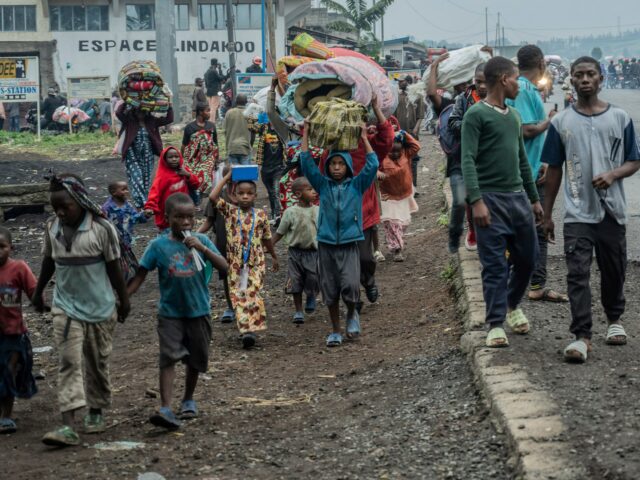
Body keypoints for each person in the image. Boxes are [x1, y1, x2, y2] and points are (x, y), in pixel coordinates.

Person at [541, 57, 640, 363]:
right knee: (577, 273)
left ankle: (614, 320)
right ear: (570, 80)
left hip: (613, 212)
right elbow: (554, 169)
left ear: (600, 79)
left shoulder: (620, 118)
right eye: (579, 75)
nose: (585, 79)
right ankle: (581, 336)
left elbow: (634, 160)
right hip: (577, 212)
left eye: (590, 74)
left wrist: (612, 174)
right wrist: (546, 215)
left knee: (614, 270)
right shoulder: (561, 123)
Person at [33, 174, 130, 447]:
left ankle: (96, 410)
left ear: (80, 201)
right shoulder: (52, 227)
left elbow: (114, 267)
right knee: (68, 361)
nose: (61, 212)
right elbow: (48, 260)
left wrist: (124, 300)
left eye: (66, 206)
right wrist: (38, 291)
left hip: (100, 307)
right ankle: (68, 425)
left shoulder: (101, 228)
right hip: (65, 306)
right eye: (56, 208)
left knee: (97, 362)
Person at [461, 56, 543, 349]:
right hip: (490, 199)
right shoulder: (476, 115)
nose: (520, 85)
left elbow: (522, 159)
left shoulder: (514, 116)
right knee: (494, 264)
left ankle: (511, 303)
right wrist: (477, 201)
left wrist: (534, 199)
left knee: (528, 258)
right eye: (516, 79)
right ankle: (496, 323)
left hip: (518, 198)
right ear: (503, 80)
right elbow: (467, 159)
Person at [128, 193, 227, 429]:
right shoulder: (158, 246)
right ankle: (165, 407)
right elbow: (140, 275)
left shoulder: (201, 240)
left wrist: (202, 248)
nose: (185, 222)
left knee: (195, 358)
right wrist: (122, 300)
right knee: (168, 357)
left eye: (189, 217)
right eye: (179, 217)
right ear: (166, 217)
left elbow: (224, 266)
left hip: (199, 310)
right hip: (170, 313)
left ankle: (188, 399)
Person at [301, 120, 379, 347]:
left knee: (351, 285)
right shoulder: (322, 185)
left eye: (340, 164)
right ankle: (335, 330)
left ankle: (352, 313)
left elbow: (372, 164)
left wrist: (364, 138)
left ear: (347, 167)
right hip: (326, 244)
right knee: (330, 289)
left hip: (349, 244)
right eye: (333, 163)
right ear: (328, 166)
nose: (336, 167)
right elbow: (306, 163)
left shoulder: (356, 185)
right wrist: (306, 133)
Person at [505, 45, 567, 304]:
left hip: (529, 168)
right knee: (536, 229)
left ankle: (520, 282)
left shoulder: (524, 88)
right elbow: (526, 130)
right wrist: (550, 121)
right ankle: (534, 284)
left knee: (525, 230)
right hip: (527, 173)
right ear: (541, 63)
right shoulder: (524, 89)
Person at [208, 170, 279, 349]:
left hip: (256, 262)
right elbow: (213, 197)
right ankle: (246, 329)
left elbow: (266, 238)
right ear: (234, 195)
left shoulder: (261, 215)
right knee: (239, 295)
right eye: (241, 193)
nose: (245, 196)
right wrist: (226, 178)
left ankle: (250, 330)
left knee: (252, 293)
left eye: (249, 193)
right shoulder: (230, 212)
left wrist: (274, 255)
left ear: (255, 195)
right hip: (235, 264)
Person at [0, 226, 39, 434]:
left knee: (8, 371)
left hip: (13, 333)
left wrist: (42, 303)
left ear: (11, 248)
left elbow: (34, 291)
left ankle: (6, 416)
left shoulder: (19, 268)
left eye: (2, 247)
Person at [447, 62, 487, 252]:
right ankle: (460, 234)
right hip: (462, 158)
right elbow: (453, 122)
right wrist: (472, 126)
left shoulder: (501, 100)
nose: (482, 86)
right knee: (461, 200)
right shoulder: (463, 99)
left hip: (487, 159)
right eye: (479, 82)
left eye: (486, 82)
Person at [272, 177, 320, 324]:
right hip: (295, 253)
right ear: (298, 194)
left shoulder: (318, 210)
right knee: (295, 282)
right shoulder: (290, 212)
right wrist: (269, 246)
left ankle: (311, 295)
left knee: (313, 278)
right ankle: (298, 311)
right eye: (310, 190)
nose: (314, 192)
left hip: (313, 252)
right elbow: (280, 232)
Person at [116, 103, 175, 209]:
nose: (141, 113)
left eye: (143, 111)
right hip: (132, 154)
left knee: (146, 181)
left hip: (148, 156)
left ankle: (141, 203)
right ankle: (144, 204)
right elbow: (118, 112)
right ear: (134, 110)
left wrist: (169, 106)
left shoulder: (152, 121)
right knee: (137, 179)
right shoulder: (129, 120)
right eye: (138, 110)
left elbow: (169, 119)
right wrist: (127, 101)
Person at [198, 165, 235, 324]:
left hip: (244, 244)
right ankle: (230, 306)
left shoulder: (245, 194)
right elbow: (209, 221)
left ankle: (241, 306)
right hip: (223, 242)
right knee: (226, 275)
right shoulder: (219, 195)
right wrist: (196, 235)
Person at [378, 130, 420, 262]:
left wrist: (404, 133)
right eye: (392, 152)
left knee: (402, 223)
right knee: (392, 223)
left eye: (398, 151)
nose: (395, 154)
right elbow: (372, 167)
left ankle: (395, 241)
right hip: (388, 196)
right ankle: (397, 249)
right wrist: (378, 173)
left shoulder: (406, 154)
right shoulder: (381, 158)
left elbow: (416, 146)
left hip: (404, 196)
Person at [144, 147, 201, 231]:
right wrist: (150, 207)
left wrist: (188, 175)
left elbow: (196, 184)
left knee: (184, 230)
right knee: (168, 234)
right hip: (167, 211)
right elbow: (154, 193)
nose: (174, 159)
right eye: (170, 157)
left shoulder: (183, 171)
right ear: (164, 159)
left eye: (176, 157)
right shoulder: (162, 176)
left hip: (183, 208)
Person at [249, 113, 285, 220]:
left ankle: (278, 215)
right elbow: (250, 126)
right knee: (271, 193)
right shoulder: (264, 128)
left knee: (276, 192)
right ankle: (274, 213)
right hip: (265, 168)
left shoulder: (282, 130)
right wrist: (257, 116)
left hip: (278, 167)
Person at [394, 75, 425, 191]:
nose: (399, 83)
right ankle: (403, 186)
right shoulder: (397, 97)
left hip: (412, 133)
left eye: (401, 81)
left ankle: (413, 187)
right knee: (400, 159)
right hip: (399, 133)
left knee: (413, 160)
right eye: (398, 82)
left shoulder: (417, 95)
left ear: (407, 82)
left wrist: (416, 129)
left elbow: (420, 115)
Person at [182, 104, 219, 193]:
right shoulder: (190, 127)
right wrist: (182, 160)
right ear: (200, 112)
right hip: (193, 160)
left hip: (207, 159)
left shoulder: (211, 126)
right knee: (193, 181)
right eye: (207, 111)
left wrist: (216, 159)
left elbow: (215, 144)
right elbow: (184, 145)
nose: (209, 113)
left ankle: (202, 199)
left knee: (206, 182)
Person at [102, 181, 149, 248]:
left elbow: (135, 217)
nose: (127, 191)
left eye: (127, 189)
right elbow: (103, 224)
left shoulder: (128, 205)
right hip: (112, 241)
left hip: (127, 240)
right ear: (113, 192)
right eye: (123, 189)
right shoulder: (107, 208)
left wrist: (145, 215)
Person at [224, 94, 253, 165]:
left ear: (236, 101)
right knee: (245, 175)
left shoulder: (229, 113)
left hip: (232, 148)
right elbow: (253, 133)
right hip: (245, 148)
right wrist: (250, 146)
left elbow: (225, 131)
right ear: (246, 102)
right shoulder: (250, 114)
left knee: (234, 174)